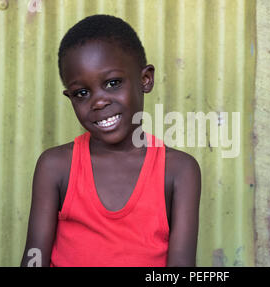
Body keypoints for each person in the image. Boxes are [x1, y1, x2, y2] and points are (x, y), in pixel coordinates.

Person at [20, 14, 201, 267]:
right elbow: (33, 259)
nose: (99, 102)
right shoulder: (55, 166)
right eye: (82, 93)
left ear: (145, 79)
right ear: (70, 97)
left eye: (113, 83)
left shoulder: (179, 170)